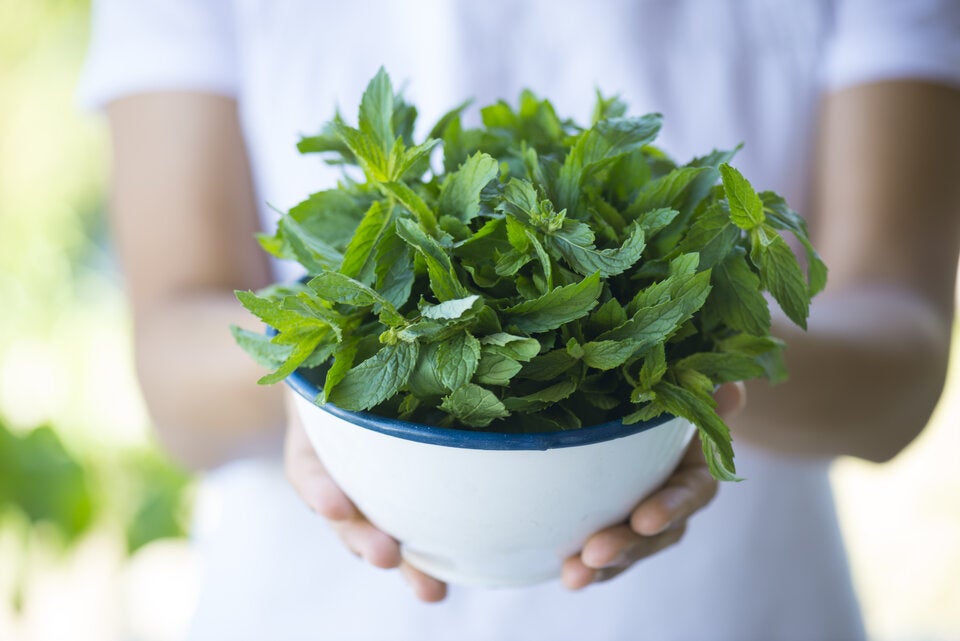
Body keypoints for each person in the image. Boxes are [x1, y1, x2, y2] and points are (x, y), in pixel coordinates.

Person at [80, 1, 960, 639]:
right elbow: (172, 355)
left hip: (735, 610)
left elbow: (902, 352)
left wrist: (695, 363)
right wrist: (319, 382)